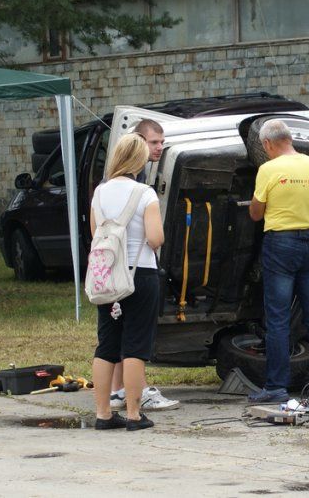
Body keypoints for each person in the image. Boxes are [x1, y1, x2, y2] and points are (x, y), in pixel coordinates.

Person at [247, 119, 309, 403]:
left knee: (278, 317)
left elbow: (256, 214)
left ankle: (276, 387)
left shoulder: (268, 169)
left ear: (268, 144)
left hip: (281, 245)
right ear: (289, 138)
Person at [91, 133, 165, 431]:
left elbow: (97, 233)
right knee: (135, 346)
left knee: (106, 344)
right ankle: (134, 414)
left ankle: (103, 413)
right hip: (140, 274)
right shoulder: (145, 194)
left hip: (107, 276)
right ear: (138, 159)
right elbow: (156, 238)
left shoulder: (99, 192)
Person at [108, 119, 178, 411]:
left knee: (115, 335)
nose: (160, 147)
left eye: (162, 142)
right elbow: (154, 237)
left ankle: (117, 391)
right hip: (137, 269)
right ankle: (138, 396)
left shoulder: (106, 187)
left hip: (111, 269)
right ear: (136, 142)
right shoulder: (137, 186)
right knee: (135, 337)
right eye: (153, 142)